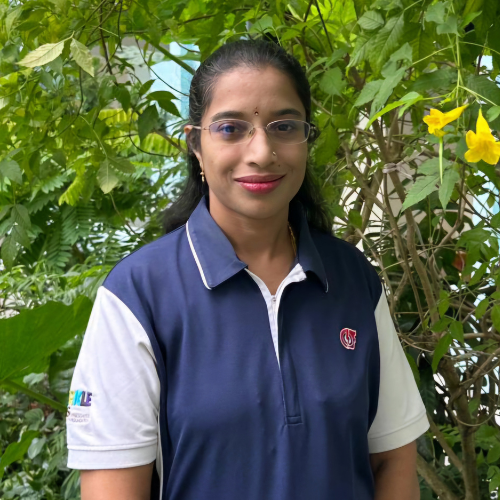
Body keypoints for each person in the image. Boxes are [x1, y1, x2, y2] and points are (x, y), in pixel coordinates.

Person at [66, 39, 429, 500]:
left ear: (307, 138)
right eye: (230, 128)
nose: (261, 152)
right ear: (195, 145)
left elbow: (393, 459)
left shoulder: (352, 279)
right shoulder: (139, 296)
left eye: (284, 126)